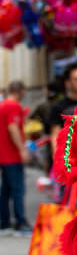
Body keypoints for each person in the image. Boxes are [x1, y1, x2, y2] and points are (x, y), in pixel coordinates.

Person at [0, 80, 31, 234]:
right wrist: (22, 150)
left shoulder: (3, 104)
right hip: (11, 155)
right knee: (18, 189)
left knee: (5, 189)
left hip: (3, 154)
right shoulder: (13, 106)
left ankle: (4, 222)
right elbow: (13, 128)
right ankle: (20, 222)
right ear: (20, 91)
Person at [46, 60, 77, 157]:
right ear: (67, 83)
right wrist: (57, 160)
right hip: (69, 159)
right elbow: (55, 135)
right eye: (76, 79)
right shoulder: (58, 107)